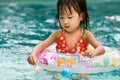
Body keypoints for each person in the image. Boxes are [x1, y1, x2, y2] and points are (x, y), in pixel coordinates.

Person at [27, 0, 105, 67]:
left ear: (82, 16)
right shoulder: (57, 34)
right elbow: (42, 45)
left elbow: (101, 48)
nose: (65, 21)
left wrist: (94, 52)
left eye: (70, 17)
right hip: (59, 68)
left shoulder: (86, 35)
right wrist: (33, 54)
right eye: (61, 17)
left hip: (79, 68)